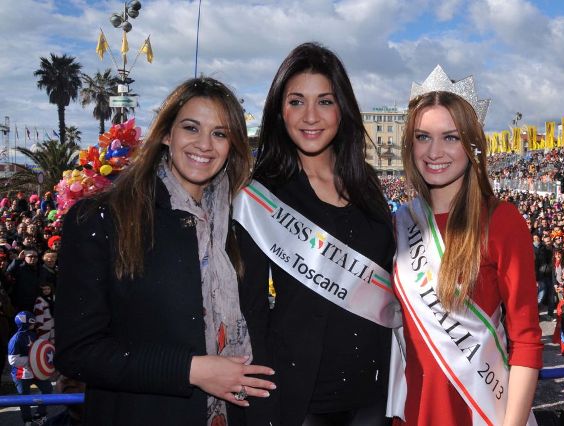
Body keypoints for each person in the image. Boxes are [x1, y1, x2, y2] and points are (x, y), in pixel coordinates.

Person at [55, 77, 275, 426]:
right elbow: (77, 351)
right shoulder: (102, 218)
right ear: (167, 134)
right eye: (191, 128)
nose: (205, 144)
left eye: (220, 133)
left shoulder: (243, 224)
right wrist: (189, 370)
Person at [235, 42, 398, 426]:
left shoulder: (367, 186)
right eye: (296, 101)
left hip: (375, 392)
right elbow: (251, 312)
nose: (310, 116)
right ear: (280, 111)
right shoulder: (261, 197)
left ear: (343, 109)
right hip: (301, 398)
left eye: (324, 101)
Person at [390, 66, 542, 425]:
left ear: (472, 144)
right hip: (413, 410)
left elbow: (526, 341)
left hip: (479, 411)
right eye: (423, 137)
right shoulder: (400, 222)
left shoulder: (501, 221)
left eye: (450, 137)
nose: (434, 151)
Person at [8, 311, 53, 425]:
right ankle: (27, 420)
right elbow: (12, 360)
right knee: (24, 399)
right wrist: (33, 359)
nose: (34, 323)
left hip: (36, 371)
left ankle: (40, 414)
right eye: (32, 321)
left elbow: (39, 349)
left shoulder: (33, 334)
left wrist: (39, 360)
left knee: (48, 389)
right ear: (26, 322)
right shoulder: (16, 339)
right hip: (21, 374)